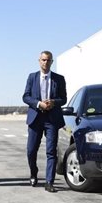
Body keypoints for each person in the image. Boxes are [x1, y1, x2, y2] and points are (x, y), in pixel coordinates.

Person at [22, 51, 67, 193]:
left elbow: (64, 99)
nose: (45, 63)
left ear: (52, 62)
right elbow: (25, 96)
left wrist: (53, 102)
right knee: (31, 151)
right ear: (39, 61)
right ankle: (33, 173)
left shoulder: (59, 79)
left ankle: (49, 182)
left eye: (48, 60)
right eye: (43, 60)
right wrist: (38, 104)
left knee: (51, 151)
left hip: (51, 119)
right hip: (36, 117)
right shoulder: (32, 77)